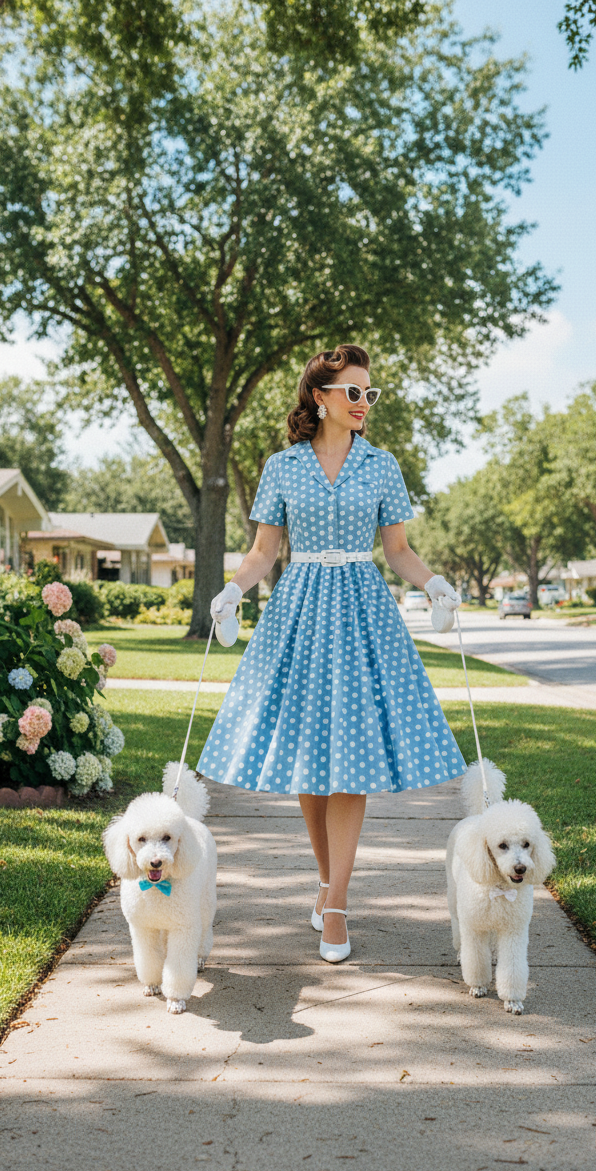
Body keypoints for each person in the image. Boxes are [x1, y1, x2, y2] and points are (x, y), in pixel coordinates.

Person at [197, 344, 466, 963]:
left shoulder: (383, 465)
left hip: (364, 611)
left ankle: (338, 903)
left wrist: (435, 585)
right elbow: (265, 552)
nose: (364, 403)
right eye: (353, 392)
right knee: (310, 763)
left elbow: (397, 550)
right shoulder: (282, 467)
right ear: (320, 398)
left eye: (370, 393)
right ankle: (325, 882)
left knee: (354, 758)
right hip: (299, 611)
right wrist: (230, 592)